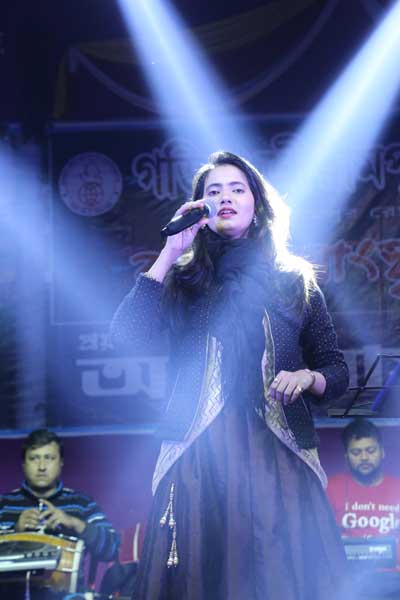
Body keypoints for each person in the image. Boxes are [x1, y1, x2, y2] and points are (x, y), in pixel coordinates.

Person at [111, 151, 350, 600]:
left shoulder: (293, 281)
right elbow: (124, 336)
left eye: (237, 189)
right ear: (199, 207)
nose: (225, 198)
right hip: (197, 455)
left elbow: (336, 370)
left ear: (257, 204)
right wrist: (169, 253)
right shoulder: (185, 280)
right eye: (214, 191)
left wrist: (306, 378)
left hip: (277, 453)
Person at [0, 428, 120, 598]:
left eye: (49, 458)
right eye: (34, 458)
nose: (42, 467)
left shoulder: (82, 503)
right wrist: (14, 532)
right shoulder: (4, 504)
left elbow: (113, 549)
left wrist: (75, 523)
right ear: (24, 464)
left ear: (61, 462)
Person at [327, 419, 400, 564]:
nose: (364, 458)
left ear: (382, 452)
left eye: (371, 451)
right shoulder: (331, 488)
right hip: (348, 574)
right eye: (356, 452)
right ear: (346, 457)